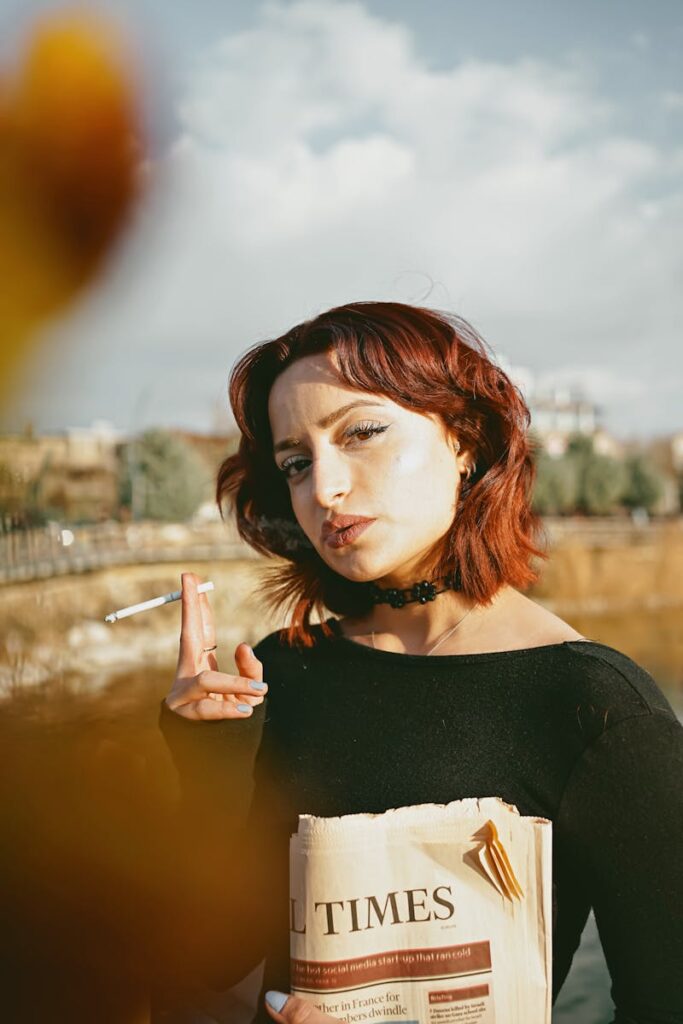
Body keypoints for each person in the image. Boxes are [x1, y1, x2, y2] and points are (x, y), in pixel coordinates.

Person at [159, 301, 683, 1024]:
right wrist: (207, 755)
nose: (324, 488)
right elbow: (211, 957)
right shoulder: (281, 673)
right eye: (295, 463)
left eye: (361, 433)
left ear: (464, 441)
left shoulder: (595, 707)